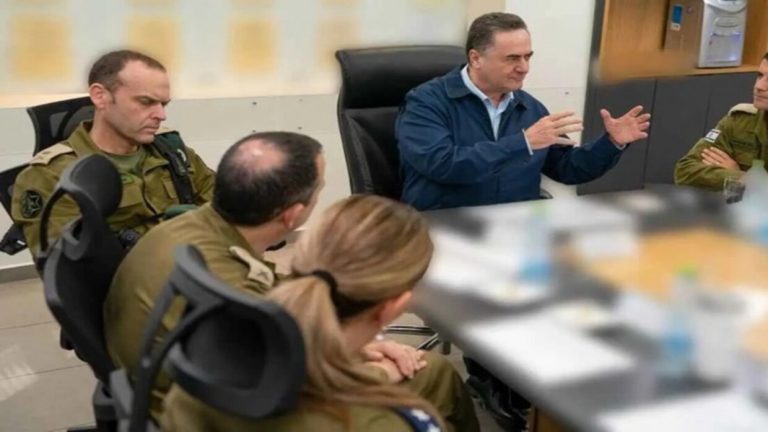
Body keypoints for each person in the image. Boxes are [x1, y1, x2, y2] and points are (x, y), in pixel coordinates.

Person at [103, 132, 478, 431]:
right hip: (225, 410)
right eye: (319, 189)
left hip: (182, 396)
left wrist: (363, 343)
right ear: (293, 215)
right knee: (434, 372)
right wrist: (376, 369)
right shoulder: (237, 295)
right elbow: (287, 380)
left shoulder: (187, 230)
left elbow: (275, 297)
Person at [160, 195, 475, 432]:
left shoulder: (208, 352)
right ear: (395, 306)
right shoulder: (382, 423)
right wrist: (373, 380)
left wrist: (374, 374)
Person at [396, 12, 650, 210]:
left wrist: (611, 143)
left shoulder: (529, 107)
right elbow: (443, 164)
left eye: (528, 57)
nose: (524, 67)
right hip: (445, 226)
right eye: (512, 58)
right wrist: (523, 143)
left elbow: (567, 168)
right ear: (475, 58)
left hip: (515, 227)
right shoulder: (425, 102)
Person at [11, 49, 215, 257]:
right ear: (100, 96)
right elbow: (73, 264)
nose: (161, 115)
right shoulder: (52, 175)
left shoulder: (172, 152)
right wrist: (174, 235)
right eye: (146, 102)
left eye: (163, 104)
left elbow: (222, 209)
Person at [675, 52, 768, 189]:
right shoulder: (740, 121)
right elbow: (685, 170)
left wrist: (747, 180)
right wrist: (741, 178)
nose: (759, 86)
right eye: (760, 75)